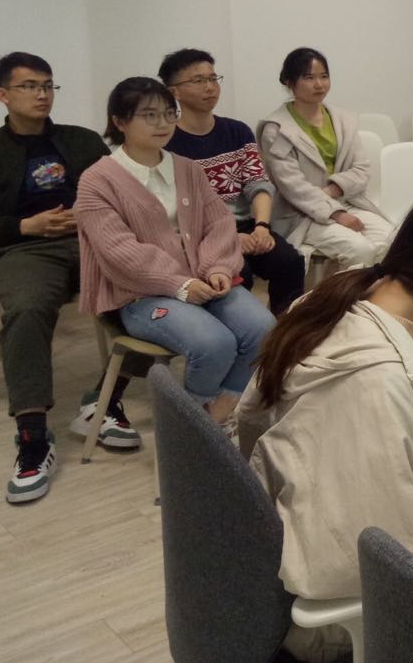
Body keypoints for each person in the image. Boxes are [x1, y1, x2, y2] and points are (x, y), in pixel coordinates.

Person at [239, 176, 413, 663]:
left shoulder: (327, 302)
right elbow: (387, 563)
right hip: (333, 608)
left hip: (282, 541)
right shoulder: (379, 382)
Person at [0, 52, 145, 503]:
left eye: (47, 85)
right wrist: (25, 226)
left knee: (151, 288)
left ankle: (104, 400)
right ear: (2, 95)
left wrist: (89, 216)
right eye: (29, 86)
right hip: (21, 248)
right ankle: (32, 437)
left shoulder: (81, 141)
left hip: (90, 240)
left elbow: (121, 193)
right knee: (27, 308)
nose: (42, 94)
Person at [74, 77, 274, 430]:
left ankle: (217, 414)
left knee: (264, 329)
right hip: (140, 294)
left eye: (169, 113)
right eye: (149, 115)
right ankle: (186, 428)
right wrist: (180, 285)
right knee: (213, 343)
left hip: (205, 281)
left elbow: (219, 223)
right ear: (119, 122)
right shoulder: (97, 180)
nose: (163, 123)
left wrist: (218, 268)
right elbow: (118, 251)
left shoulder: (187, 168)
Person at [160, 48, 306, 315]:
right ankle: (244, 334)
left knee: (289, 261)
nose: (210, 87)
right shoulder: (167, 143)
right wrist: (228, 237)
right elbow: (176, 210)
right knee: (240, 272)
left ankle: (285, 331)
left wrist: (262, 227)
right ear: (174, 92)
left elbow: (257, 183)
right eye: (198, 80)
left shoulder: (237, 131)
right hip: (201, 234)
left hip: (247, 225)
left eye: (213, 78)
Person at [258, 47, 393, 268]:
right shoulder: (277, 130)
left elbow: (361, 168)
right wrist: (336, 213)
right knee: (360, 249)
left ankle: (371, 289)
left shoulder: (343, 120)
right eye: (309, 77)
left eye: (324, 76)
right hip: (302, 214)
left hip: (346, 200)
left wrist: (331, 191)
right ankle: (344, 291)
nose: (319, 84)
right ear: (289, 82)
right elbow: (293, 187)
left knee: (393, 239)